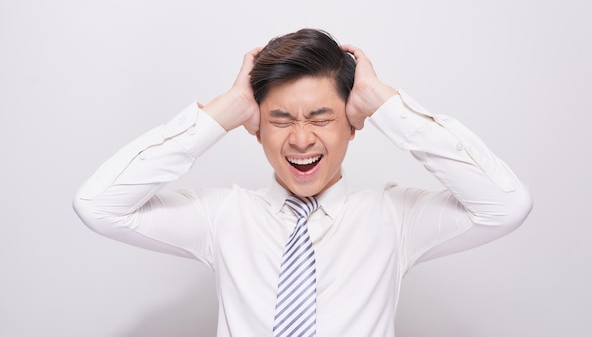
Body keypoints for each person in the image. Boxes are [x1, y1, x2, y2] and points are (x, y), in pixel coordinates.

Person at [74, 28, 532, 336]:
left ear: (353, 122)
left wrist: (384, 104)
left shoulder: (395, 218)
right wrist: (223, 112)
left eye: (320, 118)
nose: (300, 139)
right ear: (255, 127)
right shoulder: (222, 218)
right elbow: (98, 204)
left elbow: (505, 205)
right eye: (280, 119)